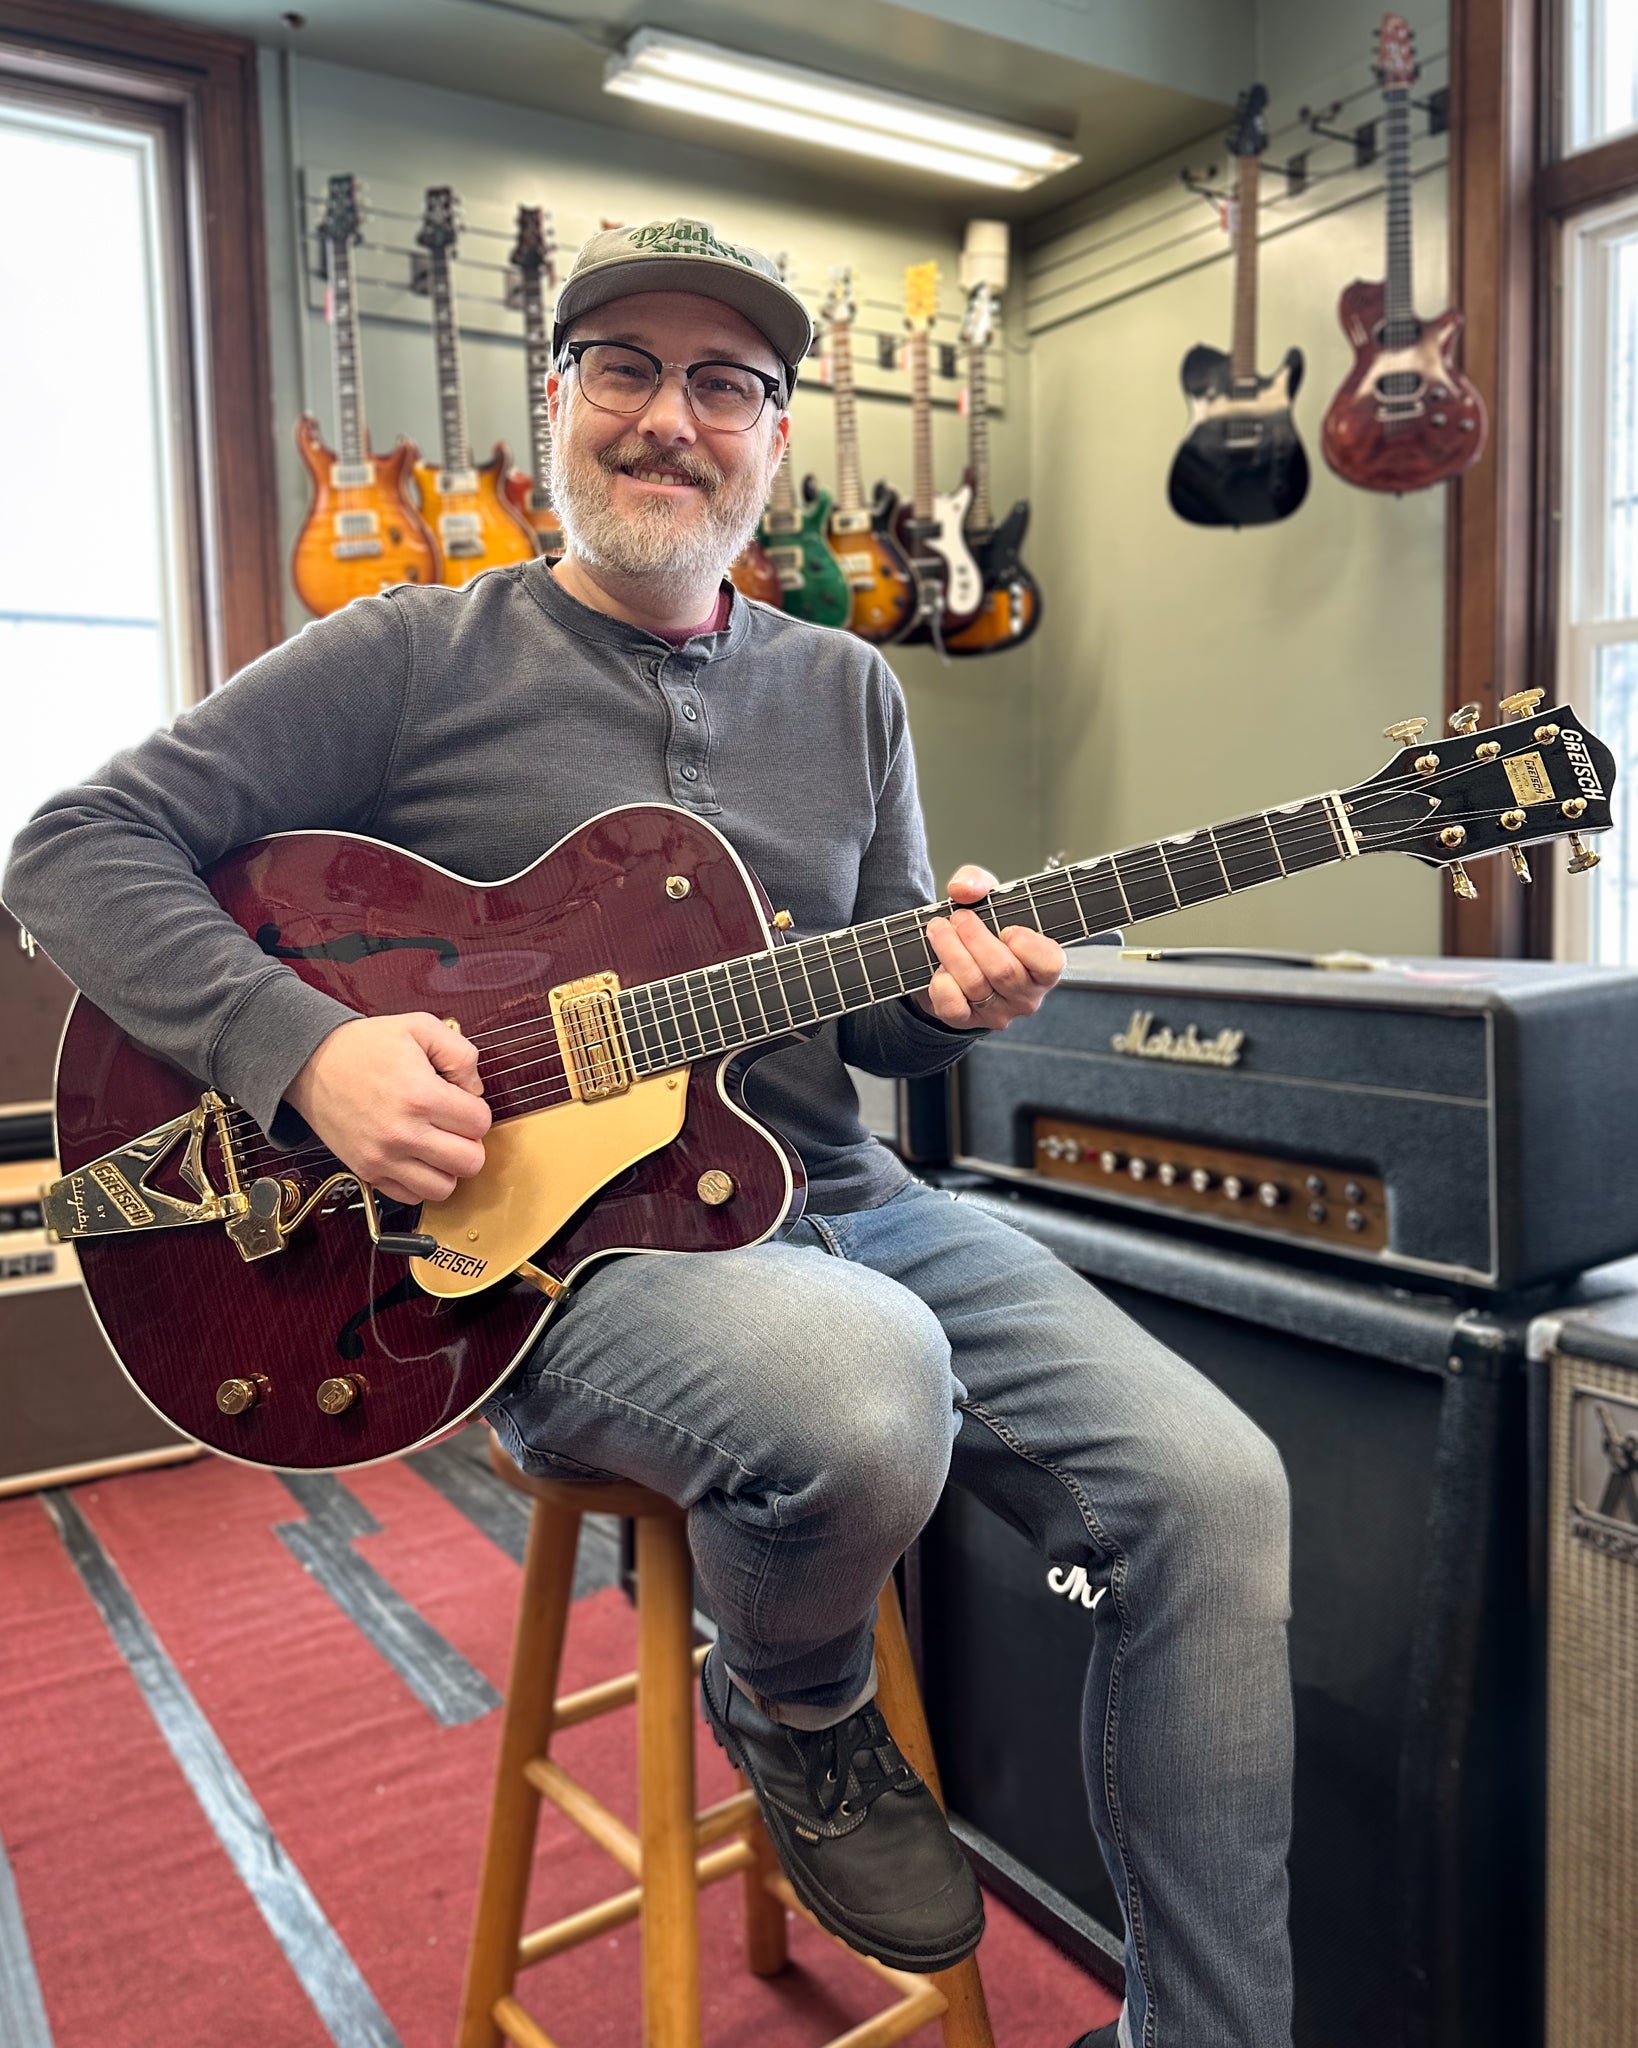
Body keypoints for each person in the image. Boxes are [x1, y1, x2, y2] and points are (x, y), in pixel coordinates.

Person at [3, 217, 1294, 2048]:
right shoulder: (411, 654)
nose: (669, 419)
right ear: (557, 401)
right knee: (861, 1386)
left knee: (1217, 1492)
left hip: (840, 1203)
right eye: (626, 368)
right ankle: (789, 1696)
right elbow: (68, 849)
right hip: (559, 1261)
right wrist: (307, 1055)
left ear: (773, 435)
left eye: (724, 385)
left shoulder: (847, 689)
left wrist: (952, 998)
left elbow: (870, 1014)